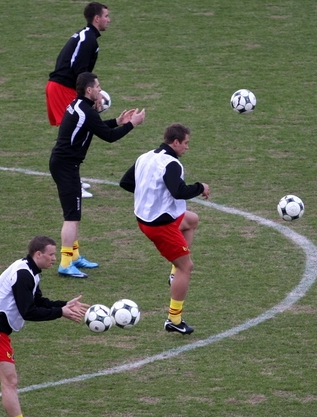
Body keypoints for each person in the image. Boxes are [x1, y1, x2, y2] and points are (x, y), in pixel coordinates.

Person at [0, 236, 89, 417]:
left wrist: (64, 305)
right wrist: (60, 312)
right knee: (10, 381)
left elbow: (38, 301)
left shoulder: (30, 270)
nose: (54, 258)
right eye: (51, 255)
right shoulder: (24, 275)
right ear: (38, 254)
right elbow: (28, 311)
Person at [50, 72, 145, 278]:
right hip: (66, 166)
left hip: (66, 165)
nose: (101, 90)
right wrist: (132, 124)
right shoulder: (86, 111)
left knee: (75, 215)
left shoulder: (80, 106)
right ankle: (65, 263)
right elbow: (108, 136)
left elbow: (95, 126)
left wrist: (118, 121)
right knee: (71, 217)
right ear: (89, 90)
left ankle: (74, 257)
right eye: (98, 87)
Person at [120, 123, 209, 335]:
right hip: (160, 225)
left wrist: (148, 194)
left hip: (146, 218)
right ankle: (174, 320)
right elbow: (179, 192)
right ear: (175, 142)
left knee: (191, 220)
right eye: (185, 143)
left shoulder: (145, 157)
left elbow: (126, 182)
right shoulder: (172, 164)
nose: (187, 147)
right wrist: (201, 187)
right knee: (186, 267)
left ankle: (173, 272)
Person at [46, 2, 111, 199]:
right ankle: (71, 183)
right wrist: (91, 95)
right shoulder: (88, 39)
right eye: (106, 16)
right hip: (63, 88)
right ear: (97, 18)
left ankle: (73, 179)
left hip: (64, 87)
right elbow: (79, 70)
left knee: (77, 133)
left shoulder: (87, 37)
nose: (109, 20)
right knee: (74, 135)